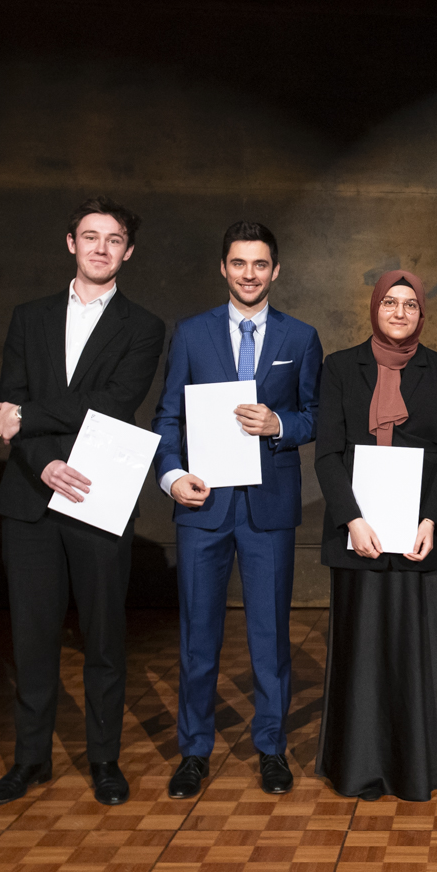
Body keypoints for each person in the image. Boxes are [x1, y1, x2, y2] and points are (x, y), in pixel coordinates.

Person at [0, 197, 166, 806]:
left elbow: (114, 402)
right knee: (32, 639)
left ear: (127, 252)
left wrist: (29, 417)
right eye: (90, 237)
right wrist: (43, 462)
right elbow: (7, 401)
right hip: (31, 495)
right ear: (71, 243)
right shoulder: (28, 317)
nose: (100, 248)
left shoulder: (144, 326)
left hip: (99, 495)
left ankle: (104, 760)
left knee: (104, 640)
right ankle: (30, 761)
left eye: (113, 240)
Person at [151, 221, 322, 797]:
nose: (249, 274)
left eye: (260, 264)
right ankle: (194, 751)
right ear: (223, 268)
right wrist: (172, 476)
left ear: (276, 271)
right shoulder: (191, 333)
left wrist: (279, 425)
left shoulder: (301, 338)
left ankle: (270, 748)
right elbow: (167, 415)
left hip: (268, 509)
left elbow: (315, 415)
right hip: (202, 504)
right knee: (197, 638)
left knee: (270, 638)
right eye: (239, 263)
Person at [312, 271, 437, 801]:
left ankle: (410, 769)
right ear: (375, 308)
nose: (400, 313)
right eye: (390, 303)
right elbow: (327, 453)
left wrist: (431, 520)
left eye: (410, 305)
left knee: (410, 653)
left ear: (422, 313)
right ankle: (357, 768)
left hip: (417, 532)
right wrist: (352, 520)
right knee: (360, 652)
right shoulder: (339, 367)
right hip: (358, 531)